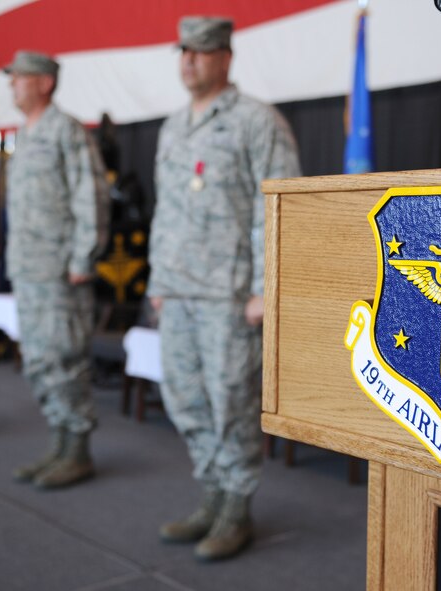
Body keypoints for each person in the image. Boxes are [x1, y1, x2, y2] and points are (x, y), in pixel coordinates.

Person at [149, 16, 301, 561]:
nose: (189, 60)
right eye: (183, 51)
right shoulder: (172, 126)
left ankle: (236, 506)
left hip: (231, 296)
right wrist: (158, 280)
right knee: (185, 400)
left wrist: (265, 290)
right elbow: (164, 211)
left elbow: (278, 209)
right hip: (179, 291)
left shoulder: (256, 121)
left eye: (201, 51)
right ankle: (211, 495)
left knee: (230, 403)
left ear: (226, 58)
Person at [3, 51, 109, 489]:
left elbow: (91, 195)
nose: (12, 85)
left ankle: (78, 450)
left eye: (19, 78)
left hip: (62, 272)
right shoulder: (25, 136)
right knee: (39, 361)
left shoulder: (66, 131)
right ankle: (59, 442)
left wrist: (83, 257)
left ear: (44, 83)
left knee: (65, 360)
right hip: (28, 270)